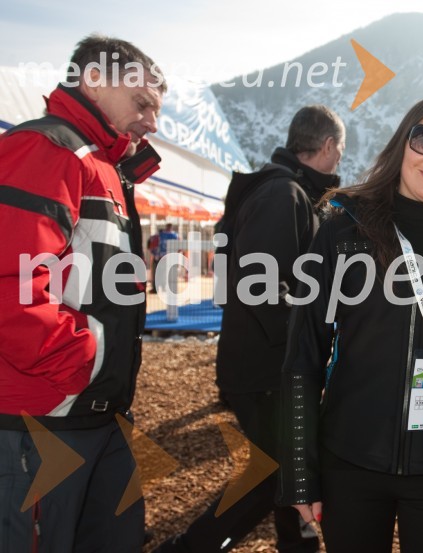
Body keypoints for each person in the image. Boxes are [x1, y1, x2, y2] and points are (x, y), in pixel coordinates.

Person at [276, 93, 423, 553]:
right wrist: (300, 471)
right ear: (403, 141)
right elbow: (304, 355)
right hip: (351, 463)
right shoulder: (344, 229)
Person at [0, 35, 165, 551]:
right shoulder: (46, 149)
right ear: (94, 79)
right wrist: (80, 361)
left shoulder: (104, 168)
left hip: (94, 410)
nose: (152, 123)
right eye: (143, 104)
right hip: (46, 416)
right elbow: (11, 285)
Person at [155, 105, 345, 553]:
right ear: (329, 146)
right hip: (267, 367)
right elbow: (262, 286)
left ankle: (297, 547)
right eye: (340, 150)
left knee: (286, 470)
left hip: (262, 361)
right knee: (276, 472)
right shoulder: (283, 195)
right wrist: (304, 346)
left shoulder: (278, 190)